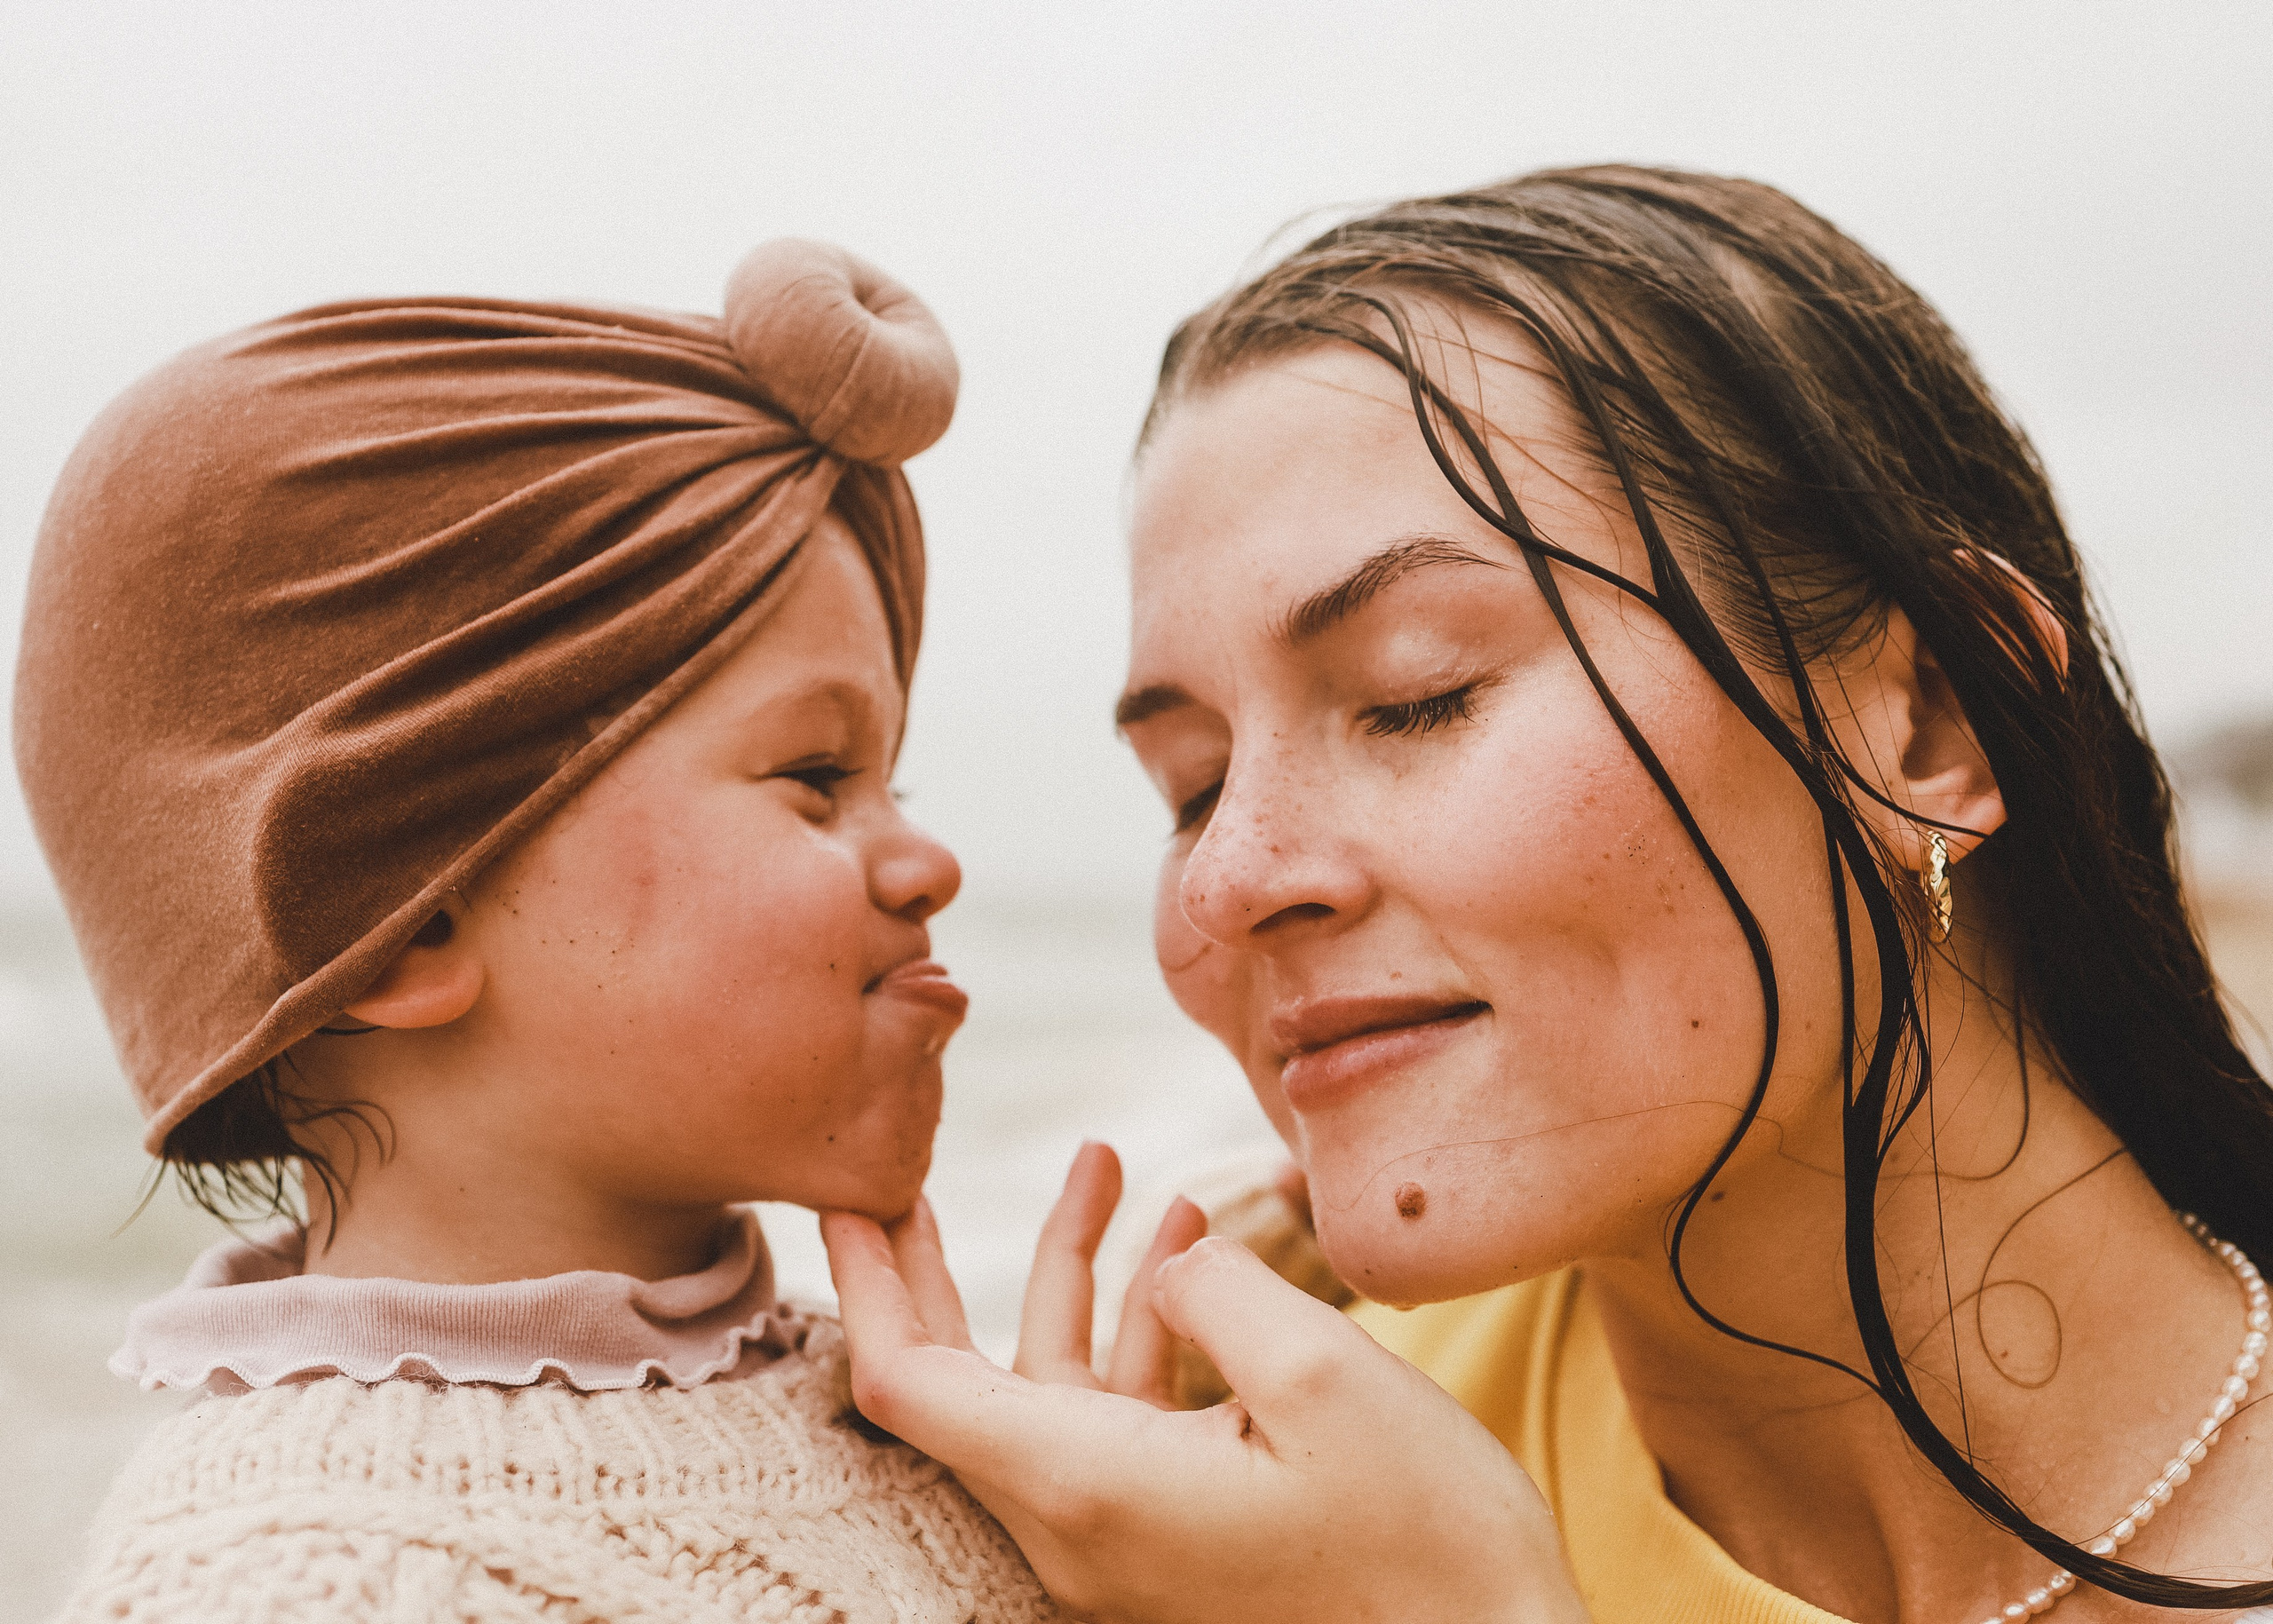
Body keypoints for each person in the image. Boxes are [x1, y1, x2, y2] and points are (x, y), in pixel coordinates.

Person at [822, 166, 2273, 1622]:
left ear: (1932, 724)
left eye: (1418, 696)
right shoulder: (1232, 1500)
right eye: (1191, 784)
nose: (1230, 875)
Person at [16, 240, 1057, 1621]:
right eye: (816, 779)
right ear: (398, 924)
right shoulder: (303, 1581)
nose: (928, 860)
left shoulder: (930, 1408)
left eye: (895, 782)